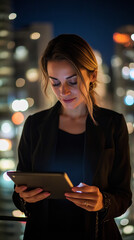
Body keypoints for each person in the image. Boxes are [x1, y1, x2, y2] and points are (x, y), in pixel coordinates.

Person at [12, 34, 132, 240]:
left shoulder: (113, 124)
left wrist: (103, 202)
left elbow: (123, 196)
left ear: (93, 75)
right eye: (55, 83)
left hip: (96, 234)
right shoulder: (35, 124)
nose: (63, 91)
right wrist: (24, 198)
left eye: (73, 81)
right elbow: (19, 192)